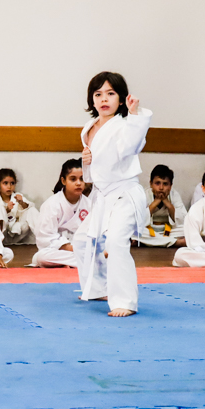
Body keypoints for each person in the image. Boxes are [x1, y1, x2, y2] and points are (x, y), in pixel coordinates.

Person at [73, 71, 151, 317]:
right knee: (82, 240)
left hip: (124, 193)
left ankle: (125, 301)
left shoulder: (125, 125)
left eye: (110, 93)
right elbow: (94, 170)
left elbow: (131, 146)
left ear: (121, 98)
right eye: (98, 94)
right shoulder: (89, 127)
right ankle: (98, 289)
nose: (104, 99)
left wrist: (135, 114)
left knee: (116, 243)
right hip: (103, 195)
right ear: (91, 99)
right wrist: (86, 161)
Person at [31, 159, 90, 268]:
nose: (78, 183)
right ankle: (84, 263)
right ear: (63, 181)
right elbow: (45, 237)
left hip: (81, 248)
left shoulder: (89, 204)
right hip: (59, 250)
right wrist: (70, 247)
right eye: (73, 179)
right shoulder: (51, 204)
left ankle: (73, 263)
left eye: (82, 179)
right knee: (41, 257)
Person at [0, 168, 38, 245]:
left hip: (17, 232)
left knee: (31, 210)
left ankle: (45, 240)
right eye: (5, 183)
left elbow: (30, 207)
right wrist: (6, 210)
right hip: (1, 234)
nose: (9, 187)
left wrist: (22, 203)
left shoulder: (17, 196)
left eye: (12, 183)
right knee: (0, 208)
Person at [137, 164, 186, 248]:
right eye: (157, 183)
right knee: (134, 231)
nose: (161, 188)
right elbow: (138, 221)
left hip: (169, 230)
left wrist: (168, 204)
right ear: (151, 184)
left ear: (170, 186)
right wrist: (155, 202)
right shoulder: (144, 195)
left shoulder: (174, 195)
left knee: (186, 230)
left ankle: (153, 242)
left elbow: (183, 220)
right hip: (149, 230)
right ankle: (175, 242)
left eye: (165, 184)